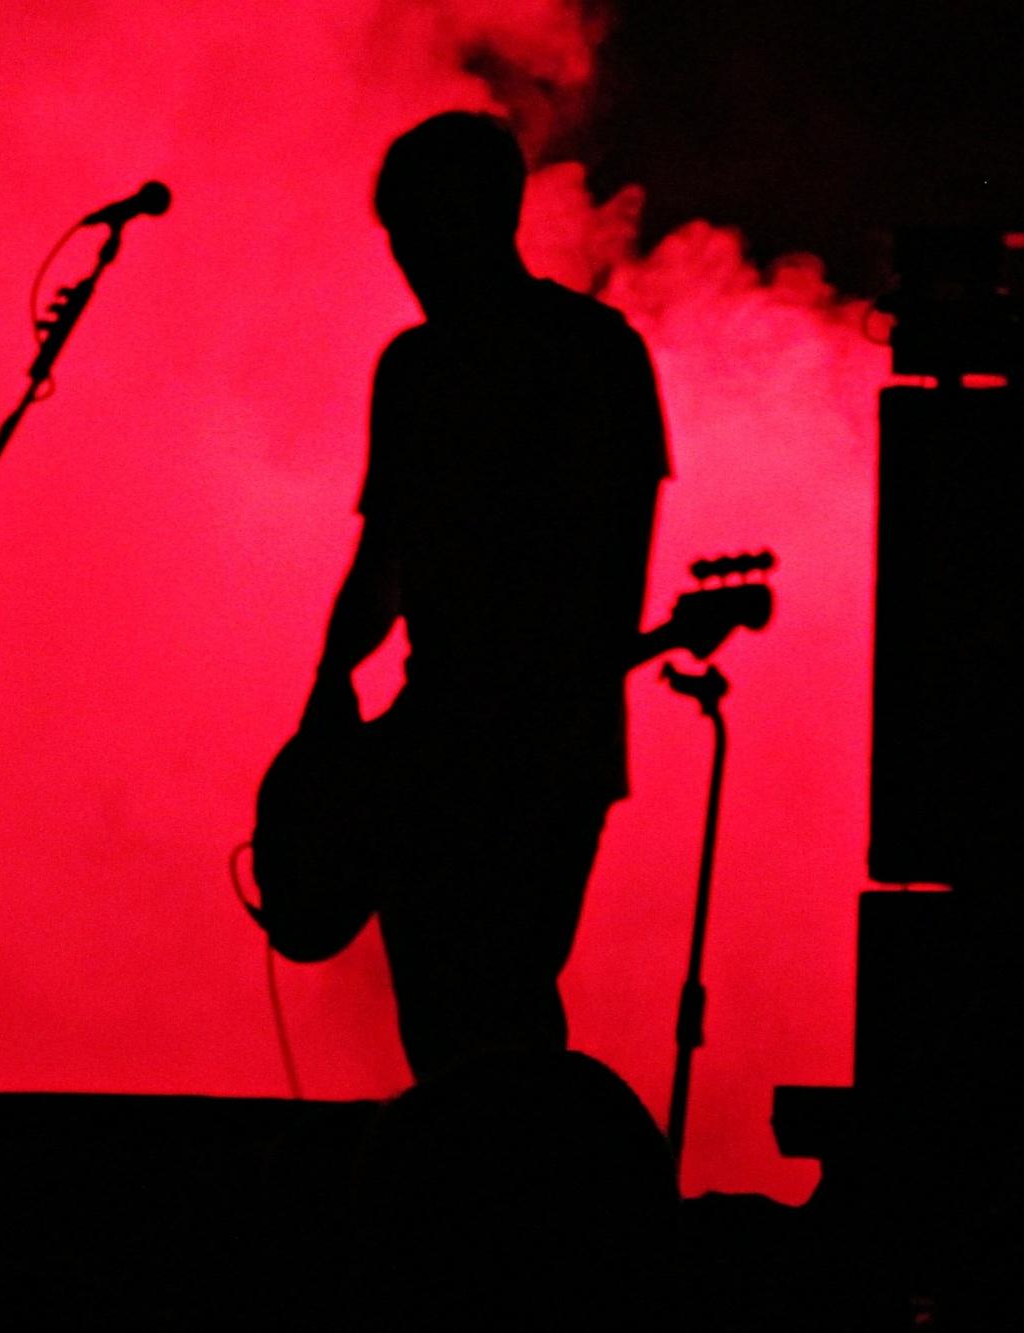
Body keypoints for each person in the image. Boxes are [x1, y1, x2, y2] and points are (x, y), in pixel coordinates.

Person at [303, 111, 669, 1081]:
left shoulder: (530, 360)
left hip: (519, 747)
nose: (407, 262)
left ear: (476, 221)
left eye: (416, 235)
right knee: (468, 1019)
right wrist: (326, 696)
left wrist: (333, 696)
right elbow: (386, 560)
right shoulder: (573, 353)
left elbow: (389, 563)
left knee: (481, 1017)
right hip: (511, 743)